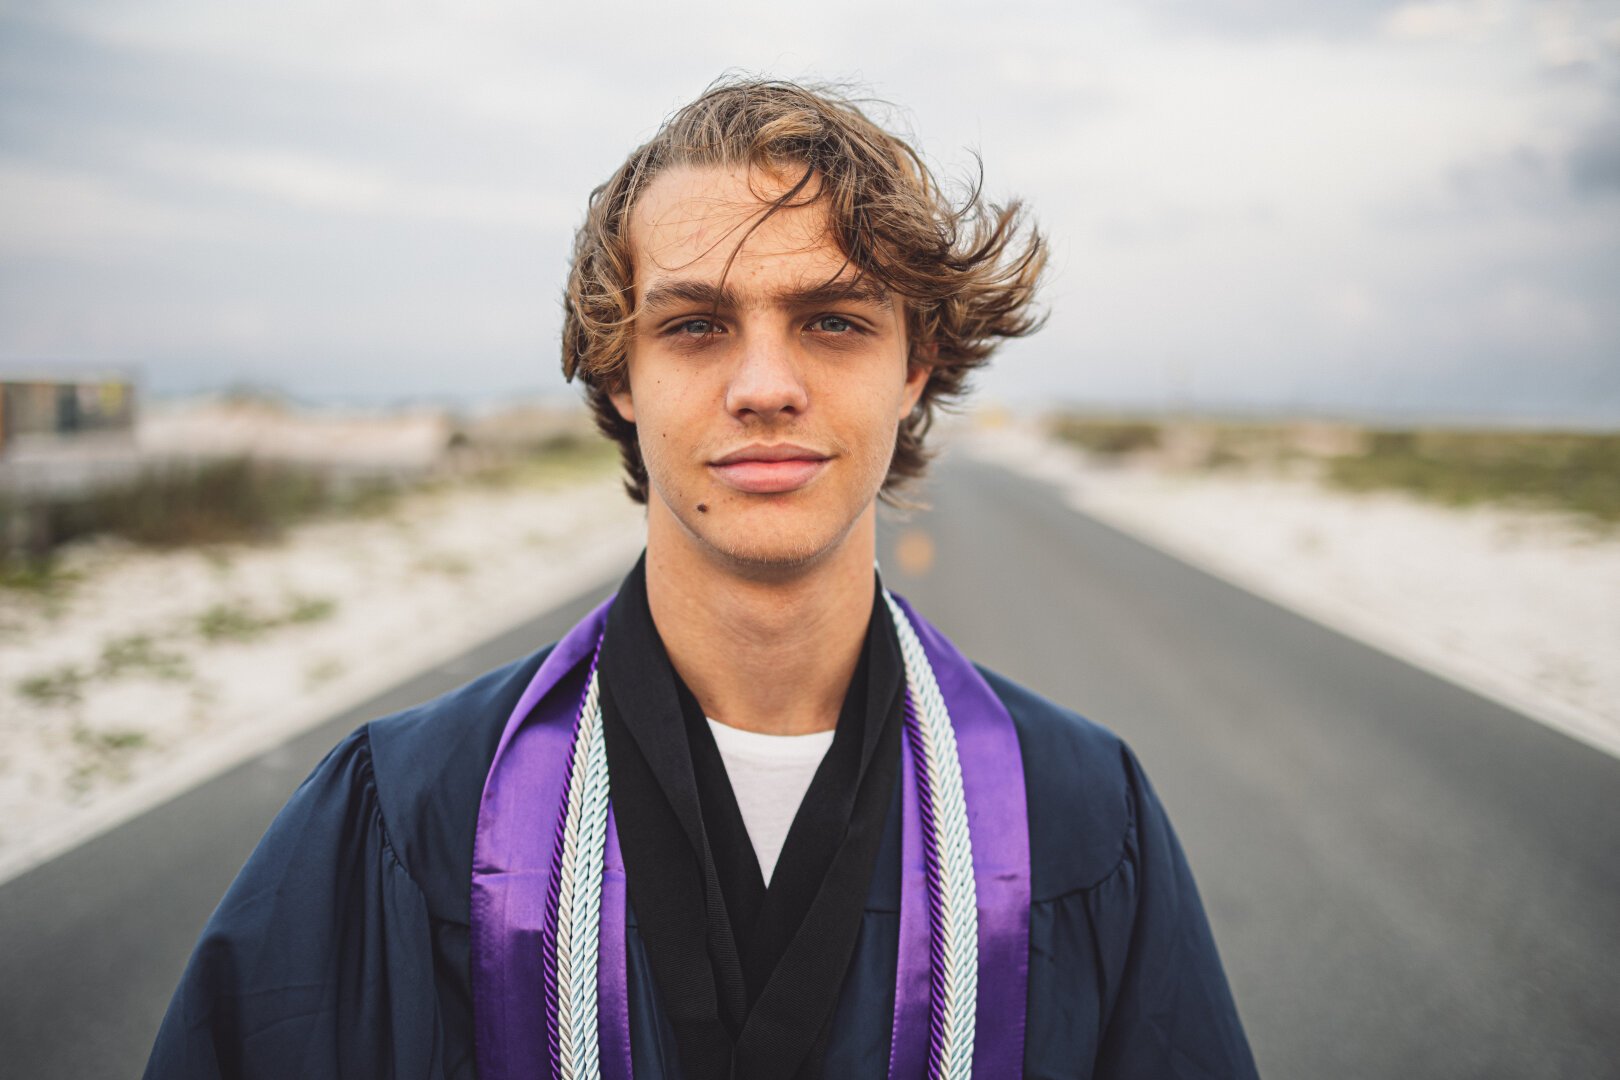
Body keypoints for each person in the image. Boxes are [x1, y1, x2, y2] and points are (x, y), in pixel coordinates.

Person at [145, 78, 1258, 1080]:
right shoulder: (412, 815)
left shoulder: (1077, 818)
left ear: (915, 364)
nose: (766, 385)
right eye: (694, 324)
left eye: (832, 320)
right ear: (620, 370)